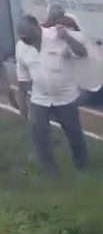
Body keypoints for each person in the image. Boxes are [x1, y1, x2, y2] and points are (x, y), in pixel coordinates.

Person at [15, 12, 89, 175]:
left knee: (73, 131)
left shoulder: (57, 35)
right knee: (39, 133)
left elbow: (82, 53)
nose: (25, 40)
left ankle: (82, 164)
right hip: (40, 98)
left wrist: (68, 39)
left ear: (37, 27)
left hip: (65, 96)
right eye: (22, 37)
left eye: (28, 36)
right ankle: (49, 170)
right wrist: (22, 105)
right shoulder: (21, 47)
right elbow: (22, 77)